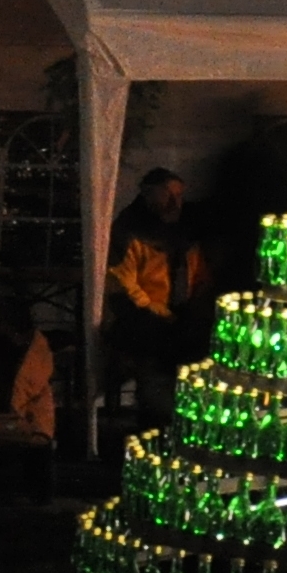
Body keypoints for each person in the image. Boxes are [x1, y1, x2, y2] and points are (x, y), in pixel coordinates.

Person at [103, 169, 209, 423]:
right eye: (167, 195)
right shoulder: (129, 232)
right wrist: (160, 314)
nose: (175, 203)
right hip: (142, 320)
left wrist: (196, 308)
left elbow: (200, 275)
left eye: (179, 196)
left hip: (182, 318)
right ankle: (155, 420)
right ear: (148, 195)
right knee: (154, 359)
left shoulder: (186, 231)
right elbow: (123, 285)